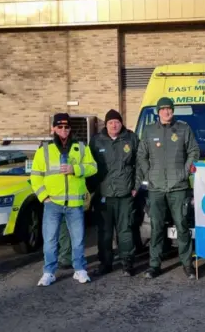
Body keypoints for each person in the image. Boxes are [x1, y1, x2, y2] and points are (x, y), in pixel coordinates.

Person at [136, 97, 200, 279]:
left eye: (169, 109)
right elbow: (141, 155)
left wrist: (184, 173)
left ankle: (187, 264)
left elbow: (193, 151)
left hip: (178, 187)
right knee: (156, 227)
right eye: (163, 109)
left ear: (173, 110)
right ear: (158, 112)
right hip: (156, 189)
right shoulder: (149, 131)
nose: (166, 112)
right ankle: (154, 265)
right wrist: (149, 175)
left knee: (182, 226)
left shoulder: (183, 129)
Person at [30, 113, 98, 286]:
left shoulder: (81, 147)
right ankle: (49, 272)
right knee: (50, 241)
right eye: (59, 127)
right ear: (53, 128)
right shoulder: (44, 150)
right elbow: (36, 176)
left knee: (78, 239)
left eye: (66, 127)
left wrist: (75, 169)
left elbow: (93, 167)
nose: (63, 130)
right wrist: (43, 196)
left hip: (75, 203)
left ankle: (80, 270)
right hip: (52, 203)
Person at [88, 109, 139, 277]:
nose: (114, 125)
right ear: (106, 124)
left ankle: (127, 263)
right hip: (104, 194)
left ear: (121, 123)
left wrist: (136, 186)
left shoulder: (131, 138)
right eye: (110, 122)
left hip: (125, 194)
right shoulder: (96, 141)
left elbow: (140, 163)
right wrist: (92, 189)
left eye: (117, 122)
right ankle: (106, 263)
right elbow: (89, 166)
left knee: (125, 231)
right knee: (104, 231)